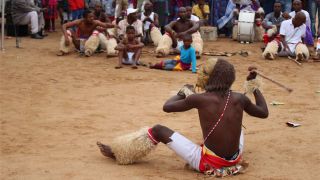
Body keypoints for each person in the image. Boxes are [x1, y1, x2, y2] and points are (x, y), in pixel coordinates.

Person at [97, 58, 268, 177]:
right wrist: (254, 86)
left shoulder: (198, 98)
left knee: (158, 130)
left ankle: (120, 153)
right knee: (238, 126)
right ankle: (228, 157)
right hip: (234, 160)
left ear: (211, 78)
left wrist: (182, 92)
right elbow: (263, 112)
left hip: (208, 162)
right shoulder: (240, 98)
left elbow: (167, 107)